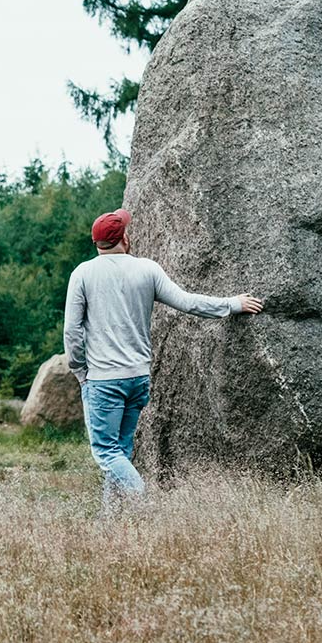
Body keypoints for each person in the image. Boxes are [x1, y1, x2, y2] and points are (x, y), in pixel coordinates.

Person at [63, 207, 263, 509]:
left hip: (103, 380)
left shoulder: (82, 274)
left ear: (96, 243)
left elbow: (72, 331)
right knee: (120, 452)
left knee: (106, 453)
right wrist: (232, 304)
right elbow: (188, 302)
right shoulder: (147, 269)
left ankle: (144, 501)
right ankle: (109, 521)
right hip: (138, 378)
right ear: (124, 238)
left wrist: (80, 371)